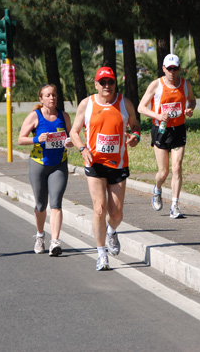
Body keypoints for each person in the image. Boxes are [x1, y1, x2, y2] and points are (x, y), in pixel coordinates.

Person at [70, 67, 140, 271]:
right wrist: (82, 148)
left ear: (115, 84)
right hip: (94, 163)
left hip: (118, 164)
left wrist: (135, 137)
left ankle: (111, 230)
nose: (107, 86)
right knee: (99, 208)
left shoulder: (125, 103)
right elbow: (74, 131)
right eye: (103, 82)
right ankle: (101, 254)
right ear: (96, 84)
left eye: (110, 82)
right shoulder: (87, 104)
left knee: (116, 213)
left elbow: (135, 126)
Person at [137, 54, 196, 219]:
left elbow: (192, 101)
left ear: (179, 69)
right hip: (161, 130)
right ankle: (157, 189)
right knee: (163, 172)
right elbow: (141, 107)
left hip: (178, 129)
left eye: (175, 68)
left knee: (177, 168)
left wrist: (190, 109)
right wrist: (157, 115)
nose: (172, 72)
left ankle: (175, 205)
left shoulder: (185, 84)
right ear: (163, 68)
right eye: (169, 68)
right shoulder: (156, 85)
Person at [18, 84, 73, 256]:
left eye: (54, 95)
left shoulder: (64, 116)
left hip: (59, 164)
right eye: (48, 95)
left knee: (56, 203)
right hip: (39, 164)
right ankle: (40, 235)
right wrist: (36, 138)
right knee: (41, 205)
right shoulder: (35, 116)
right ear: (41, 99)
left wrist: (71, 142)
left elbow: (72, 135)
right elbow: (20, 139)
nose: (52, 98)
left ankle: (55, 242)